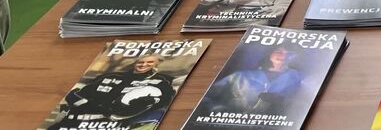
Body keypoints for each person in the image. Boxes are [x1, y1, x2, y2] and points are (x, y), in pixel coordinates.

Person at [48, 52, 176, 128]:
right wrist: (85, 103)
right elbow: (75, 94)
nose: (143, 65)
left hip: (107, 124)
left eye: (150, 62)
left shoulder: (160, 82)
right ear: (134, 63)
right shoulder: (110, 76)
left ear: (157, 64)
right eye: (140, 62)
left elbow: (162, 101)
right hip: (69, 122)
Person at [203, 45, 305, 115]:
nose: (283, 55)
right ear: (270, 54)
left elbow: (305, 104)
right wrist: (218, 110)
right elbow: (207, 97)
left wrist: (283, 101)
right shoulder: (240, 75)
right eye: (279, 52)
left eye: (289, 53)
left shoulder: (301, 78)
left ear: (295, 57)